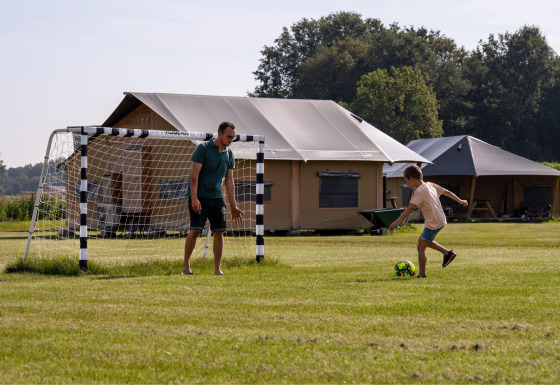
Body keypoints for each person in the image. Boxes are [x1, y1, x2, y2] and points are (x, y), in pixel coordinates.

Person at [183, 122, 244, 275]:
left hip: (216, 197)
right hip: (199, 195)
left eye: (233, 137)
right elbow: (194, 177)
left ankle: (217, 269)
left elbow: (229, 181)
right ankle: (186, 267)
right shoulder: (203, 148)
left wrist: (234, 206)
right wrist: (195, 199)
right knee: (195, 230)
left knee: (219, 231)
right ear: (219, 134)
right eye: (228, 136)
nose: (231, 139)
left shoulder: (229, 154)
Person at [389, 165, 468, 278]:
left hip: (433, 222)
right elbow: (446, 192)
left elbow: (410, 208)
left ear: (411, 178)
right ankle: (447, 253)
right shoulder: (430, 185)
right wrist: (460, 201)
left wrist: (396, 222)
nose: (407, 184)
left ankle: (422, 274)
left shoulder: (419, 191)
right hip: (440, 219)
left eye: (407, 181)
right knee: (422, 241)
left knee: (421, 247)